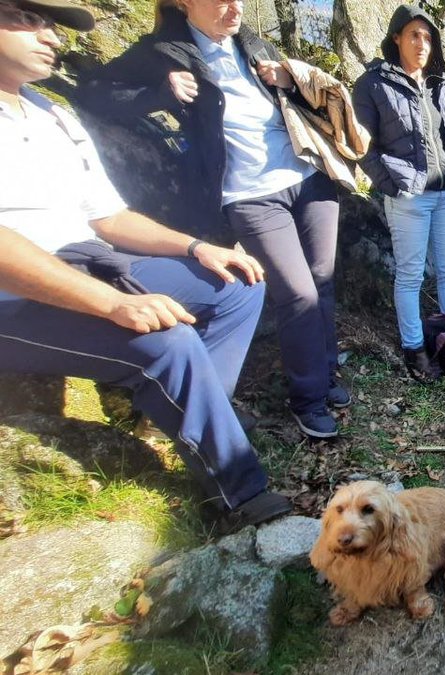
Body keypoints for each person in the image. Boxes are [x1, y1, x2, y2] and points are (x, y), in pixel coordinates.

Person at [0, 0, 290, 534]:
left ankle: (188, 416)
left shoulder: (51, 113)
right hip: (14, 290)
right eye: (26, 18)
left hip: (89, 257)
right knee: (168, 341)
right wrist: (114, 304)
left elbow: (108, 217)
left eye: (51, 25)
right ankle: (241, 495)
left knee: (238, 284)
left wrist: (197, 249)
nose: (51, 38)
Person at [76, 0, 347, 438]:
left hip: (308, 175)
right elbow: (91, 91)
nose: (233, 8)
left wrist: (287, 80)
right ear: (184, 5)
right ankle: (309, 398)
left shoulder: (253, 43)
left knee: (322, 278)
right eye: (220, 1)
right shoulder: (164, 51)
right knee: (296, 292)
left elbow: (294, 106)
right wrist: (158, 94)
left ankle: (326, 374)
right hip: (248, 195)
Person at [353, 5, 445, 383]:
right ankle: (415, 349)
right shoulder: (373, 84)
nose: (422, 43)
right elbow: (362, 146)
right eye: (413, 35)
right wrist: (393, 186)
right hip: (410, 197)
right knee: (410, 276)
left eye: (427, 36)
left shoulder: (441, 83)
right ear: (396, 38)